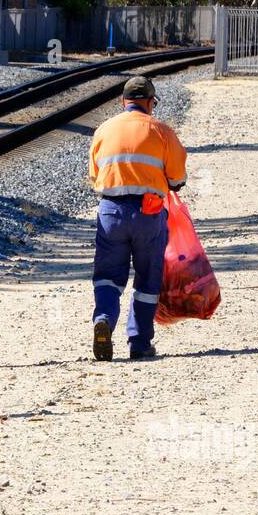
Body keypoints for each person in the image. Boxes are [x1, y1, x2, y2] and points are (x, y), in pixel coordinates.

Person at [88, 75, 187, 362]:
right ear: (148, 102)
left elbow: (95, 175)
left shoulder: (104, 129)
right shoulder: (161, 131)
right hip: (149, 212)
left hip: (111, 211)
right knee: (147, 278)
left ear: (124, 102)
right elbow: (178, 177)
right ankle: (139, 342)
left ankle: (103, 319)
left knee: (107, 275)